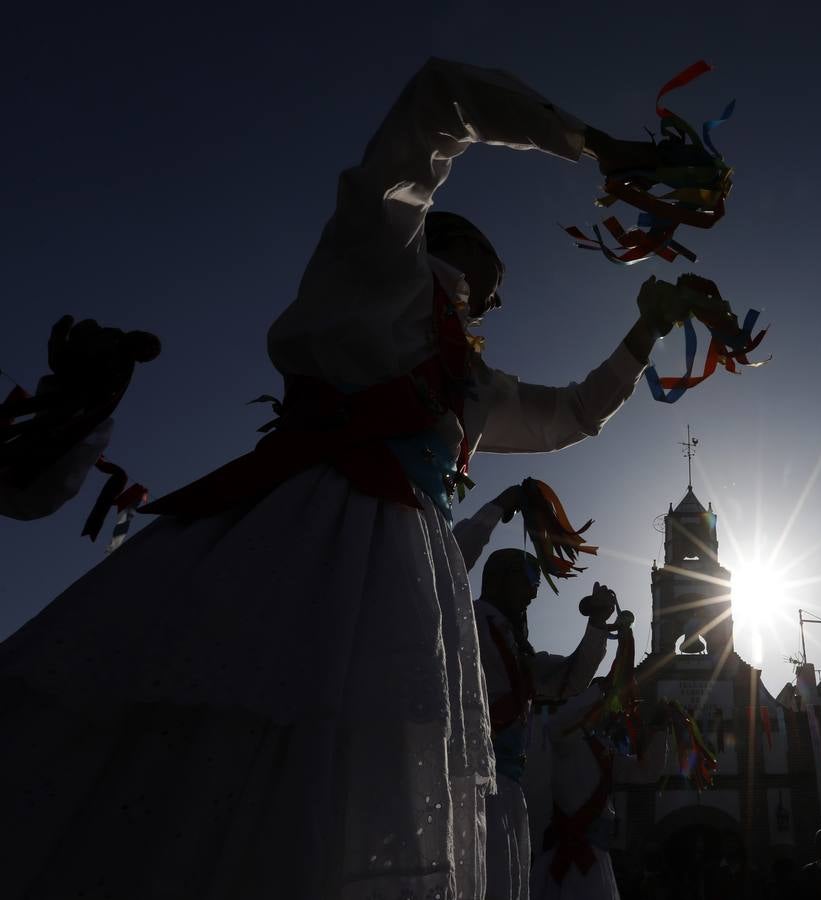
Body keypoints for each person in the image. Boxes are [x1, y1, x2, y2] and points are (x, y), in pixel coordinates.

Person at [0, 59, 722, 900]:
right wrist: (595, 145)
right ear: (441, 246)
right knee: (235, 737)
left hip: (394, 574)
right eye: (481, 283)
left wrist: (641, 337)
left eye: (486, 304)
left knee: (322, 770)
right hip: (306, 532)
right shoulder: (375, 265)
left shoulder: (472, 384)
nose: (488, 302)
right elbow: (439, 98)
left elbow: (569, 416)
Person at [473, 546, 621, 900]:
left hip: (506, 786)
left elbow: (569, 680)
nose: (534, 593)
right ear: (499, 579)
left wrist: (597, 624)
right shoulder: (470, 621)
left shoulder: (517, 648)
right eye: (529, 580)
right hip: (471, 779)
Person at [529, 656, 670, 900]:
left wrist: (659, 729)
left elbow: (646, 772)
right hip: (564, 857)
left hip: (596, 858)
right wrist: (599, 689)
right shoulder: (564, 738)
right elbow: (559, 723)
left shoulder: (603, 749)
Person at [1, 315, 159, 522]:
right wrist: (64, 336)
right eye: (143, 343)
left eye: (145, 353)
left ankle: (17, 474)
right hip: (64, 401)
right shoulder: (108, 340)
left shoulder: (122, 369)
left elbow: (102, 398)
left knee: (40, 445)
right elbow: (66, 361)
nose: (139, 350)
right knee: (35, 437)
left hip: (75, 414)